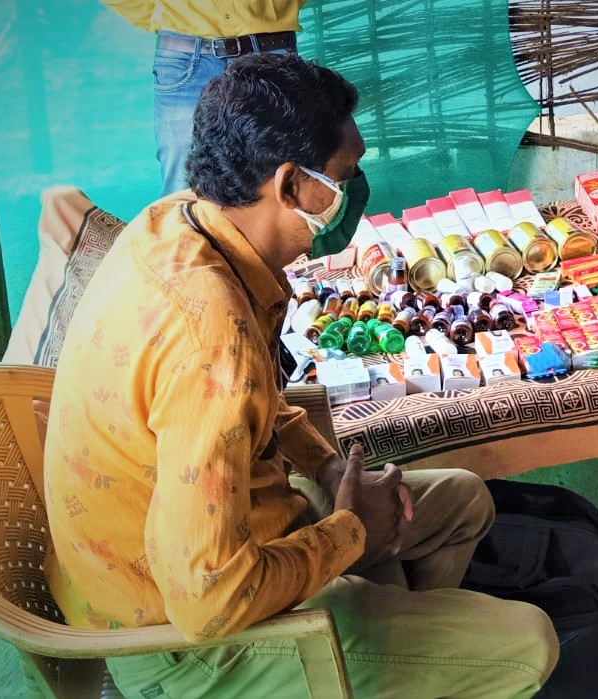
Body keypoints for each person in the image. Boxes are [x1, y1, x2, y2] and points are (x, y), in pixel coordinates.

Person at [44, 54, 557, 698]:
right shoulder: (210, 337)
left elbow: (254, 400)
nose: (355, 190)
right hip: (180, 639)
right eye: (344, 176)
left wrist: (328, 467)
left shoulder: (179, 219)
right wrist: (349, 534)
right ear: (290, 185)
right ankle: (402, 658)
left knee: (465, 499)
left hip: (228, 535)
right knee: (531, 642)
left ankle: (403, 660)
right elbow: (210, 603)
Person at [102, 1, 305, 195]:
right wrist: (165, 15)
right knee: (182, 178)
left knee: (285, 172)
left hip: (270, 51)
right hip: (185, 55)